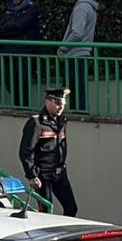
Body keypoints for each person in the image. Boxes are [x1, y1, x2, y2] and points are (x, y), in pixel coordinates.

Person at [19, 87, 77, 216]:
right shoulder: (36, 123)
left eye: (63, 104)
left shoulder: (62, 121)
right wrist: (32, 175)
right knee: (45, 212)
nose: (61, 107)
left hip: (60, 172)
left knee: (71, 208)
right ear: (47, 102)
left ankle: (64, 234)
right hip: (43, 175)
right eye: (57, 103)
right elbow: (26, 151)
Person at [56, 0, 99, 111]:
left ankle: (77, 115)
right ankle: (79, 113)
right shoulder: (88, 6)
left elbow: (77, 33)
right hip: (81, 53)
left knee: (72, 90)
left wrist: (62, 48)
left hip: (75, 54)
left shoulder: (81, 8)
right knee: (77, 89)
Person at [0, 0, 41, 108]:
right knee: (9, 82)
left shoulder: (31, 8)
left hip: (23, 53)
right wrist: (13, 27)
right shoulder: (7, 9)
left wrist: (9, 27)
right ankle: (18, 105)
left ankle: (23, 108)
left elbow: (23, 25)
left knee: (22, 83)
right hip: (8, 53)